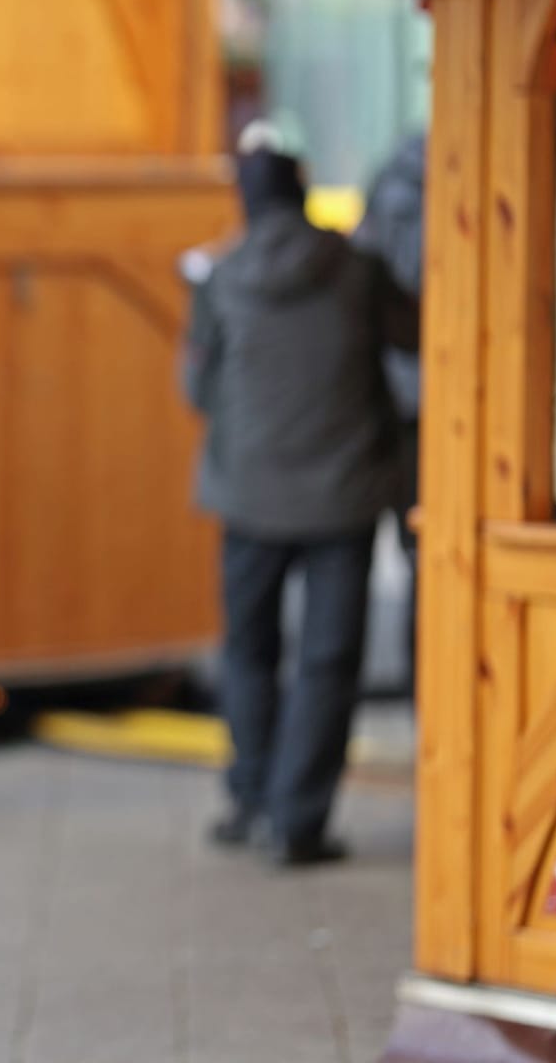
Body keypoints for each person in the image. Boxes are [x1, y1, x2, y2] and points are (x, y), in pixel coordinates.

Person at [181, 122, 416, 867]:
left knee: (250, 649)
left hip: (248, 490)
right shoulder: (356, 267)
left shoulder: (219, 279)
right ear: (304, 192)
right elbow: (417, 333)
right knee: (327, 658)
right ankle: (300, 822)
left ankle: (251, 798)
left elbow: (197, 386)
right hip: (345, 491)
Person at [351, 130, 426, 696]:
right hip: (433, 402)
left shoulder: (386, 184)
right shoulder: (451, 187)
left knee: (415, 551)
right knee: (430, 556)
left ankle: (418, 692)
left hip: (392, 400)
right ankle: (428, 693)